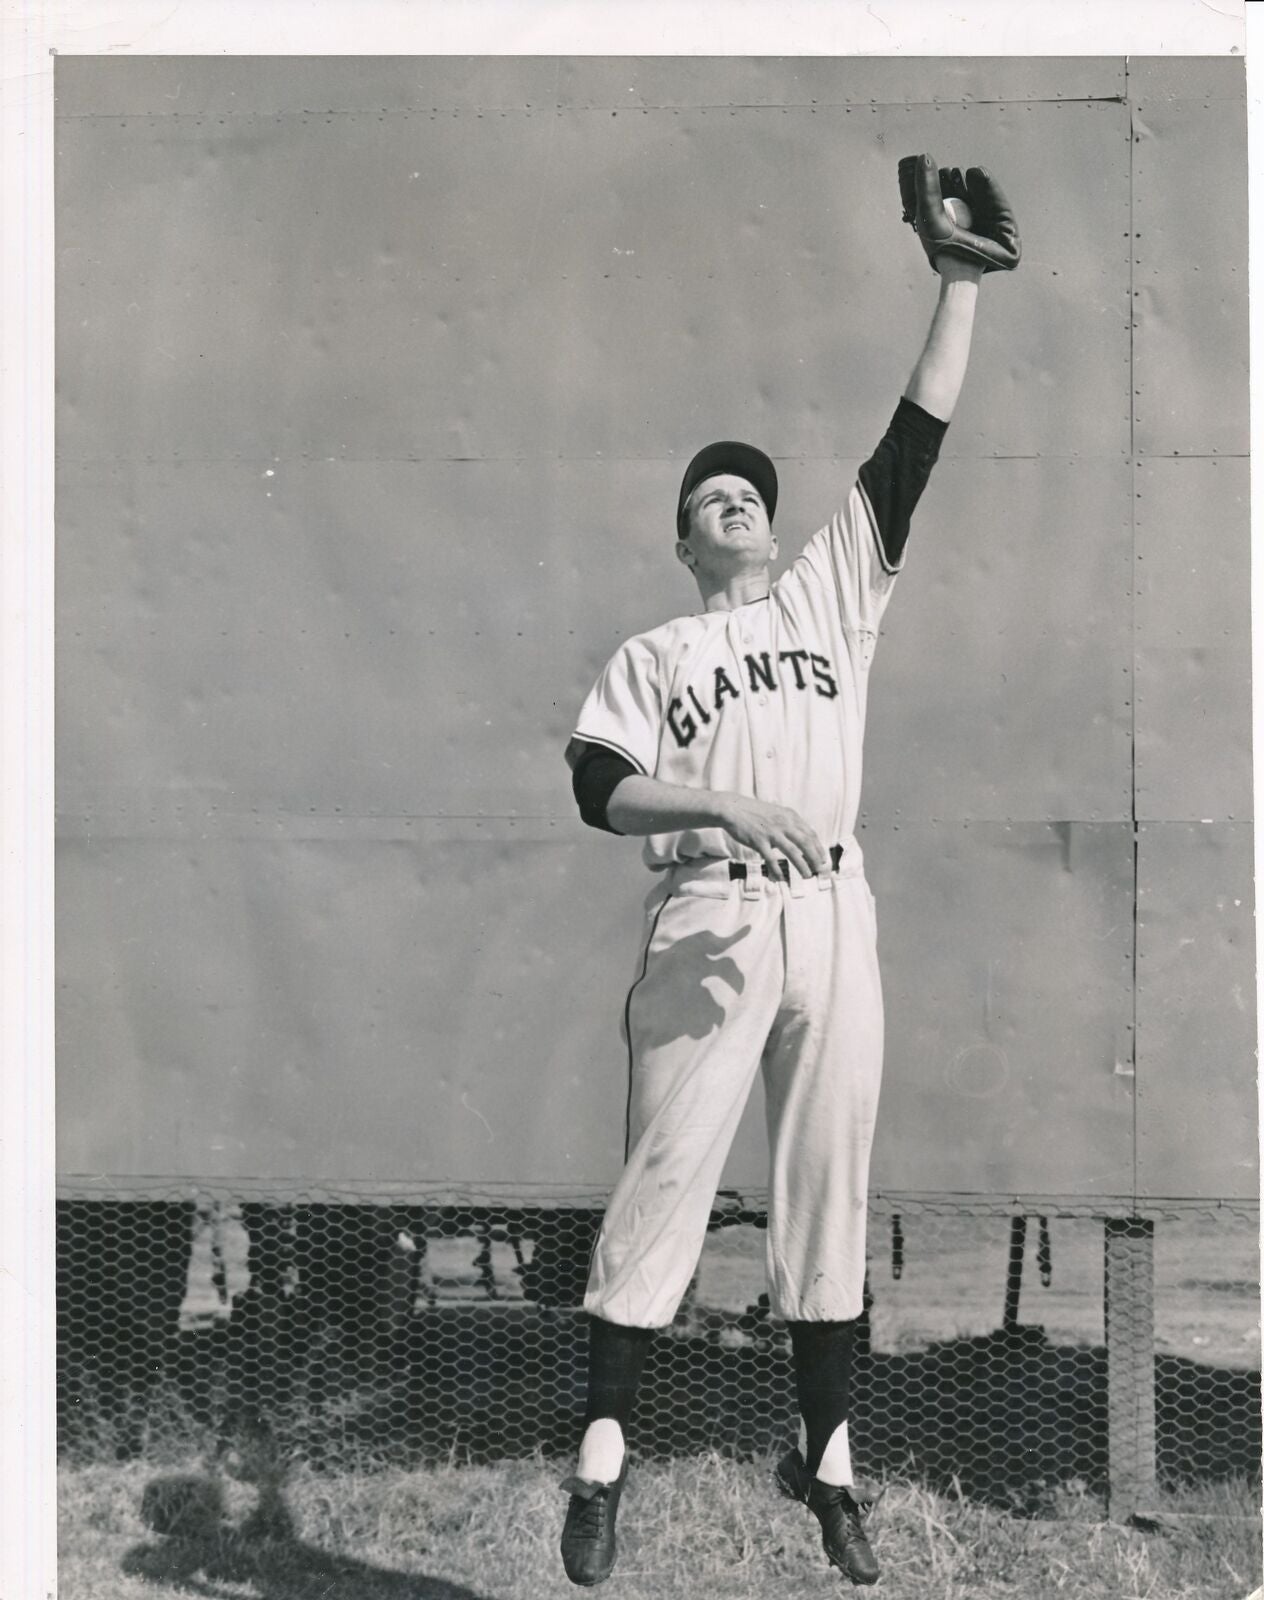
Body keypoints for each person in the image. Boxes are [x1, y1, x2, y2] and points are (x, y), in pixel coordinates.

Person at [557, 154, 1020, 1587]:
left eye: (747, 488)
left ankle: (830, 1468)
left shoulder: (833, 592)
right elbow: (598, 787)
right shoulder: (654, 653)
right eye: (707, 495)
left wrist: (957, 288)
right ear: (683, 535)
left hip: (831, 911)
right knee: (667, 1180)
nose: (730, 500)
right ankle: (602, 1460)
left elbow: (912, 444)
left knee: (831, 1183)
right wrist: (715, 799)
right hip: (706, 913)